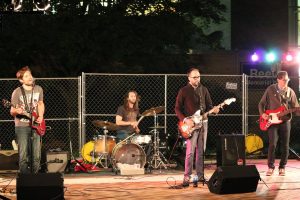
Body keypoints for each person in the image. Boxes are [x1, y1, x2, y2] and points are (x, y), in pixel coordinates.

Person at [175, 68, 219, 187]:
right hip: (191, 125)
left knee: (201, 151)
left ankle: (200, 176)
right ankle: (187, 176)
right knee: (190, 151)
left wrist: (214, 110)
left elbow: (209, 106)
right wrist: (185, 119)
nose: (197, 79)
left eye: (198, 76)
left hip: (203, 123)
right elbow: (177, 108)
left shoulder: (203, 89)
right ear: (188, 78)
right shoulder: (184, 90)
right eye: (194, 77)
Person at [258, 71, 299, 176]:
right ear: (278, 79)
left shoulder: (290, 91)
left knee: (285, 145)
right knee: (273, 144)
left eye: (287, 80)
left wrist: (297, 111)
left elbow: (296, 107)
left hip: (285, 121)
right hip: (272, 121)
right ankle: (270, 167)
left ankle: (282, 167)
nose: (286, 82)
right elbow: (261, 103)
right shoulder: (270, 89)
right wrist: (262, 114)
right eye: (284, 80)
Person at [10, 66, 45, 174]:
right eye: (26, 76)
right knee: (23, 155)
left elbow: (40, 104)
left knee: (37, 155)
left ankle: (35, 179)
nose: (29, 77)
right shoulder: (17, 92)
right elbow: (12, 111)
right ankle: (25, 181)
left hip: (36, 124)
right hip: (22, 126)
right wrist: (17, 111)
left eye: (30, 75)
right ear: (21, 80)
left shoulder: (38, 89)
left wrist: (41, 116)